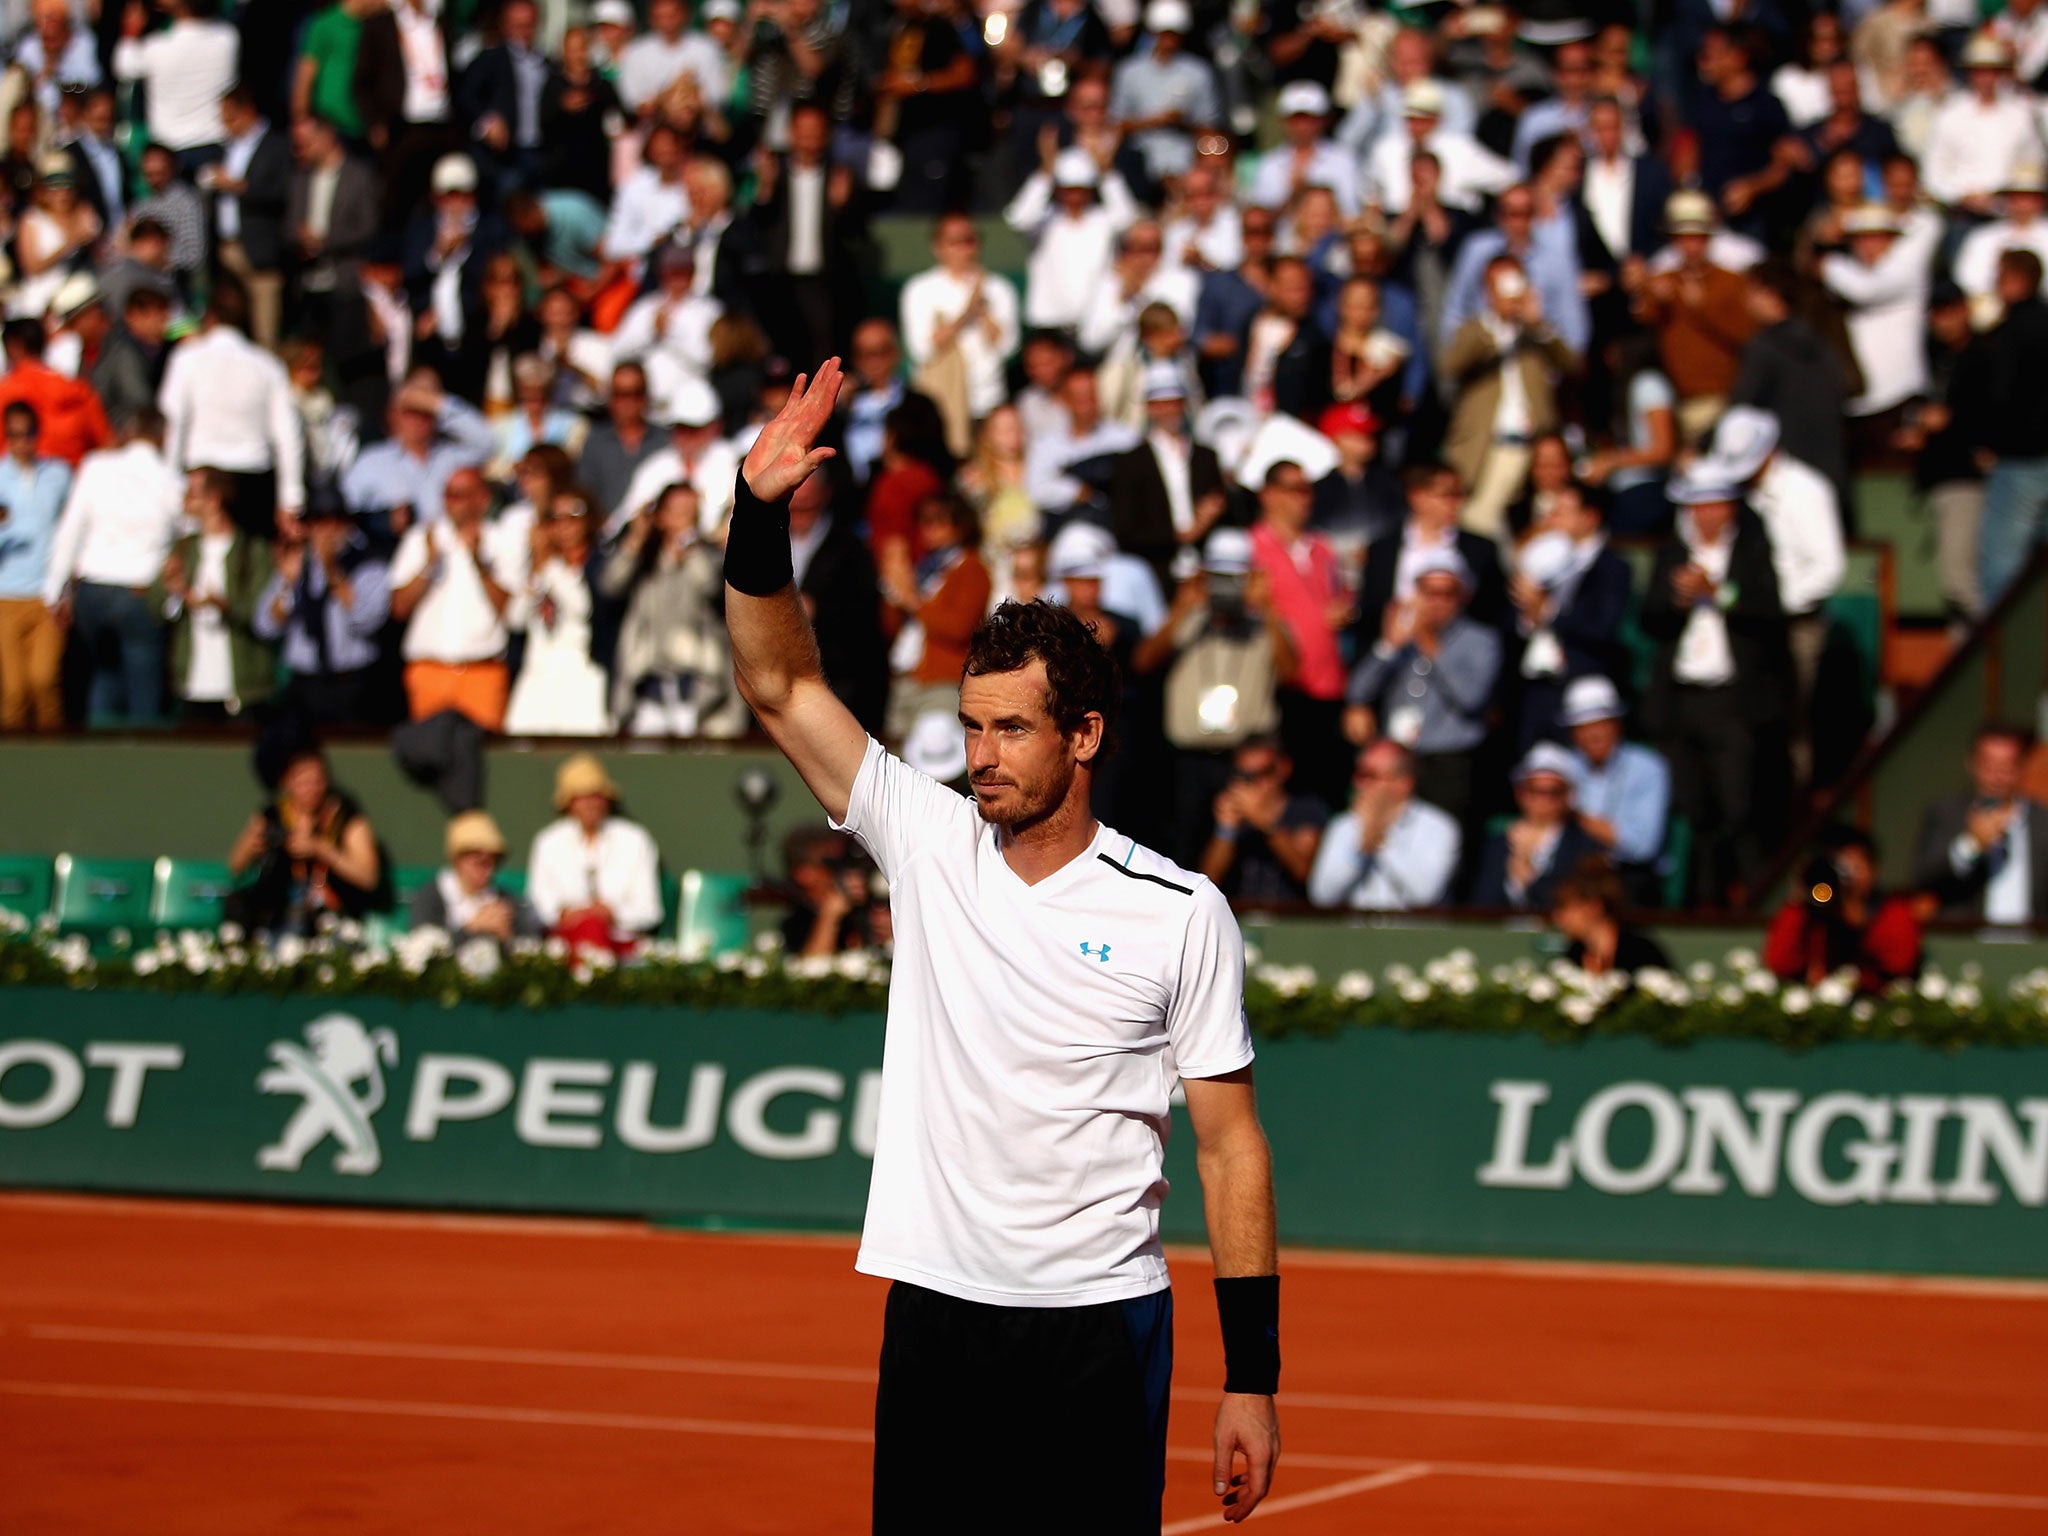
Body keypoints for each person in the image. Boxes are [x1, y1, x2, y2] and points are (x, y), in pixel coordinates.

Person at [723, 359, 1279, 1529]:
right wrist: (757, 514)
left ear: (1083, 736)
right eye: (971, 728)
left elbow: (1228, 1152)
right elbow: (778, 682)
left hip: (1100, 1324)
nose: (980, 755)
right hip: (936, 1312)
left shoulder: (1180, 910)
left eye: (1010, 730)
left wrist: (1252, 1377)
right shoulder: (926, 839)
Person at [1638, 469, 1789, 907]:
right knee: (1694, 812)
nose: (1706, 515)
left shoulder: (1752, 553)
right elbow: (1651, 619)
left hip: (1733, 702)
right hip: (1681, 699)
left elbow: (1769, 616)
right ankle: (1699, 903)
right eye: (1697, 506)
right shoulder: (1673, 554)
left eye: (1714, 504)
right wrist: (1678, 601)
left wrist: (1719, 594)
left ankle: (1753, 901)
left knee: (1739, 810)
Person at [41, 408, 184, 724]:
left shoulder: (95, 468)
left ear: (129, 434)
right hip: (139, 592)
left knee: (103, 677)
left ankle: (97, 761)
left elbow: (70, 530)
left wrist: (55, 591)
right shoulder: (171, 480)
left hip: (93, 591)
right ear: (162, 438)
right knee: (144, 686)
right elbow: (183, 540)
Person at [1343, 549, 1500, 828]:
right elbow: (1358, 691)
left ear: (1462, 596)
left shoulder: (1481, 640)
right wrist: (1388, 646)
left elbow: (1472, 698)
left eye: (1447, 593)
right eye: (1429, 592)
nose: (1437, 602)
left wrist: (1429, 646)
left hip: (1447, 763)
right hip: (1396, 759)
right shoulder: (1401, 637)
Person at [599, 481, 746, 737]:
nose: (684, 520)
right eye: (677, 511)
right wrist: (636, 538)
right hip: (648, 676)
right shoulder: (646, 561)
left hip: (698, 678)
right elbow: (610, 584)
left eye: (691, 512)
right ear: (662, 516)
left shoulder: (708, 556)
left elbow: (710, 585)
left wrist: (690, 551)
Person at [158, 282, 304, 537]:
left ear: (209, 317)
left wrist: (170, 484)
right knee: (252, 569)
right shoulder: (267, 365)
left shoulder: (186, 359)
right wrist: (290, 497)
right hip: (254, 479)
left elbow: (173, 421)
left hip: (202, 477)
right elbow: (288, 435)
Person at [388, 465, 522, 731]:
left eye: (459, 495)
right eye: (447, 494)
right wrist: (428, 565)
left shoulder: (502, 540)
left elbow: (511, 611)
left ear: (482, 499)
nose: (450, 503)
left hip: (482, 672)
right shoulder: (421, 539)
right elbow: (399, 608)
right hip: (429, 671)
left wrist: (479, 562)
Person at [225, 739, 384, 937]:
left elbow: (369, 878)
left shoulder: (345, 817)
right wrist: (254, 847)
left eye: (317, 781)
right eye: (303, 782)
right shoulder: (273, 814)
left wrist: (321, 849)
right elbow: (235, 866)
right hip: (277, 919)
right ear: (286, 782)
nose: (312, 789)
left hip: (334, 920)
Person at [153, 466, 277, 720]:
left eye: (191, 493)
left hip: (243, 686)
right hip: (193, 685)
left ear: (213, 500)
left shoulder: (252, 550)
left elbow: (261, 614)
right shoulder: (183, 548)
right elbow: (155, 608)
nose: (184, 500)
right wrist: (174, 591)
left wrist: (223, 605)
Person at [253, 500, 392, 726]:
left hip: (351, 681)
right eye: (315, 522)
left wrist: (332, 572)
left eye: (331, 522)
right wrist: (288, 585)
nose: (323, 531)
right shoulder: (298, 564)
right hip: (304, 683)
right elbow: (265, 626)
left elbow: (365, 619)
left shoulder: (368, 562)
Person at [526, 752, 664, 950]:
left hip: (621, 945)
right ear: (568, 803)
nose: (589, 805)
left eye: (596, 796)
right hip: (566, 946)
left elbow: (649, 910)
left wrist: (612, 914)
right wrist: (571, 916)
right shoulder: (548, 842)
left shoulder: (635, 840)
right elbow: (539, 906)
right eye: (580, 798)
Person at [1913, 723, 2048, 924]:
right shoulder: (1947, 814)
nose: (1997, 776)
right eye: (1989, 766)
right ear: (1972, 764)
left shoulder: (2042, 820)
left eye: (2007, 767)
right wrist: (1970, 844)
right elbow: (1923, 876)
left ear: (2021, 767)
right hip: (1968, 944)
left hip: (2030, 947)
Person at [1305, 738, 1461, 911]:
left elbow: (1425, 895)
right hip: (1358, 935)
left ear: (1403, 783)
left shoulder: (1439, 827)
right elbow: (1321, 896)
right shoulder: (1343, 825)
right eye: (1358, 774)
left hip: (1416, 935)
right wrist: (1358, 851)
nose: (1359, 783)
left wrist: (1381, 842)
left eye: (1369, 775)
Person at [1765, 825, 1922, 991]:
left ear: (1873, 870)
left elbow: (1900, 963)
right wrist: (1798, 902)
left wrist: (1855, 911)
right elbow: (1779, 963)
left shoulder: (1892, 911)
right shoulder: (1814, 915)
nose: (1847, 876)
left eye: (1854, 866)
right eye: (1839, 867)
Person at [504, 488, 608, 736]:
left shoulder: (598, 563)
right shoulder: (539, 566)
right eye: (554, 518)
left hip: (578, 673)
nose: (563, 526)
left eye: (573, 516)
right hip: (538, 674)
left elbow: (582, 607)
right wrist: (538, 571)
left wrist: (549, 564)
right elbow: (515, 619)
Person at [0, 401, 71, 731]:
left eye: (27, 434)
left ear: (36, 434)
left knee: (44, 683)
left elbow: (72, 530)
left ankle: (54, 760)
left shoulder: (59, 474)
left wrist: (68, 590)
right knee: (13, 692)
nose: (21, 442)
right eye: (13, 435)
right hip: (6, 597)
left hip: (47, 597)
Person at [1469, 742, 1603, 910]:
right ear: (1520, 793)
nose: (1543, 801)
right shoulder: (1497, 844)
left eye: (1553, 792)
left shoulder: (1585, 848)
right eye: (1534, 790)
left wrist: (1526, 873)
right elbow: (1481, 904)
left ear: (1568, 796)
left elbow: (1573, 906)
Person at [1198, 733, 1324, 904]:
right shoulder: (1234, 812)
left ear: (1283, 768)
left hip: (1291, 918)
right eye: (1245, 775)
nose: (1254, 783)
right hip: (1241, 917)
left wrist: (1265, 822)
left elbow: (1303, 871)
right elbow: (1208, 883)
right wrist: (1226, 830)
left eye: (1263, 773)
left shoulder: (1306, 809)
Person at [411, 811, 543, 942]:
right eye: (480, 863)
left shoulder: (506, 899)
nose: (489, 871)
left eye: (493, 863)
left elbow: (529, 946)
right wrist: (472, 928)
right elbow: (423, 946)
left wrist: (507, 937)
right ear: (457, 860)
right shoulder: (429, 897)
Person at [1548, 857, 1672, 976]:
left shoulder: (1643, 954)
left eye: (1564, 907)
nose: (1557, 916)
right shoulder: (1573, 955)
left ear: (1594, 907)